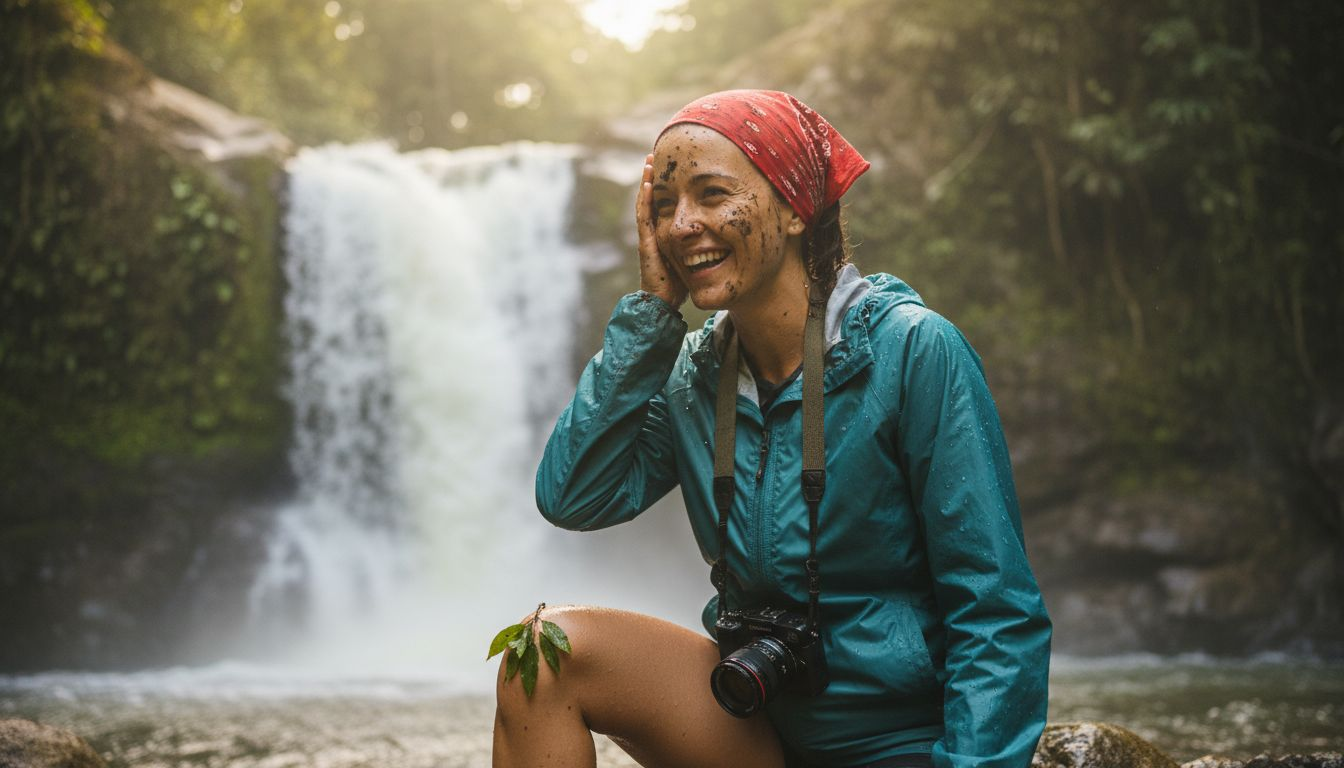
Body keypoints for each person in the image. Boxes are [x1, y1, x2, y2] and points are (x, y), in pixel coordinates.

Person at [493, 90, 1051, 768]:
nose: (681, 225)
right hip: (749, 721)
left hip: (896, 739)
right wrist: (651, 314)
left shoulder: (912, 352)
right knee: (539, 655)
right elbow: (572, 496)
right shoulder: (694, 374)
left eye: (711, 194)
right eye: (664, 205)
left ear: (793, 209)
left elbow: (996, 611)